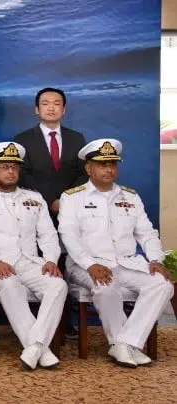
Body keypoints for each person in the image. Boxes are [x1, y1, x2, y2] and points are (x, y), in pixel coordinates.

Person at [58, 139, 173, 367]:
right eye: (102, 164)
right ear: (89, 168)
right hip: (86, 265)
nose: (109, 169)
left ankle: (124, 343)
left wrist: (155, 259)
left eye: (113, 164)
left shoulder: (130, 197)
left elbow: (147, 233)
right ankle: (126, 345)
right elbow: (68, 236)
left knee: (163, 284)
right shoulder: (72, 197)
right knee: (106, 289)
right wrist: (90, 264)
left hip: (126, 264)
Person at [0, 142, 65, 370]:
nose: (10, 171)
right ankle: (41, 349)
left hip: (29, 262)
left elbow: (48, 234)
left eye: (14, 167)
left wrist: (50, 259)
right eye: (4, 166)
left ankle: (35, 346)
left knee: (57, 285)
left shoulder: (34, 198)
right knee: (10, 284)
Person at [14, 88, 87, 221]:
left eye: (57, 104)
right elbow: (23, 174)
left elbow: (84, 172)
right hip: (36, 207)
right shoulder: (22, 139)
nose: (51, 108)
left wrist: (67, 200)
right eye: (45, 104)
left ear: (63, 110)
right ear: (37, 109)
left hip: (72, 208)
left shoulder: (77, 138)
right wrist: (51, 200)